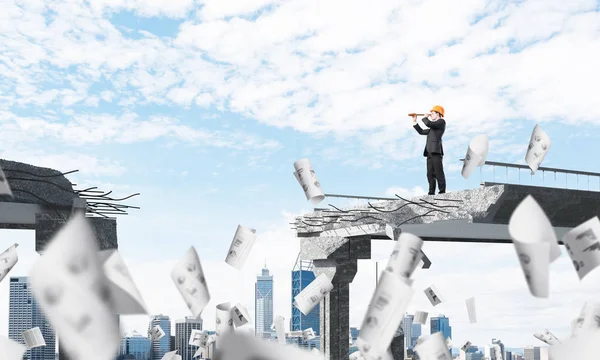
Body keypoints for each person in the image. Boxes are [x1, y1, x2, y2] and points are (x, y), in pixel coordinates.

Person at [412, 105, 446, 195]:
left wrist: (425, 117)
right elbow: (421, 131)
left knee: (438, 172)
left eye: (433, 113)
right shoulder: (432, 128)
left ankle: (442, 191)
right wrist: (415, 121)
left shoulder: (441, 122)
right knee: (430, 174)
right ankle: (431, 192)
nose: (431, 115)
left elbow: (428, 123)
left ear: (438, 114)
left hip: (436, 152)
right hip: (429, 152)